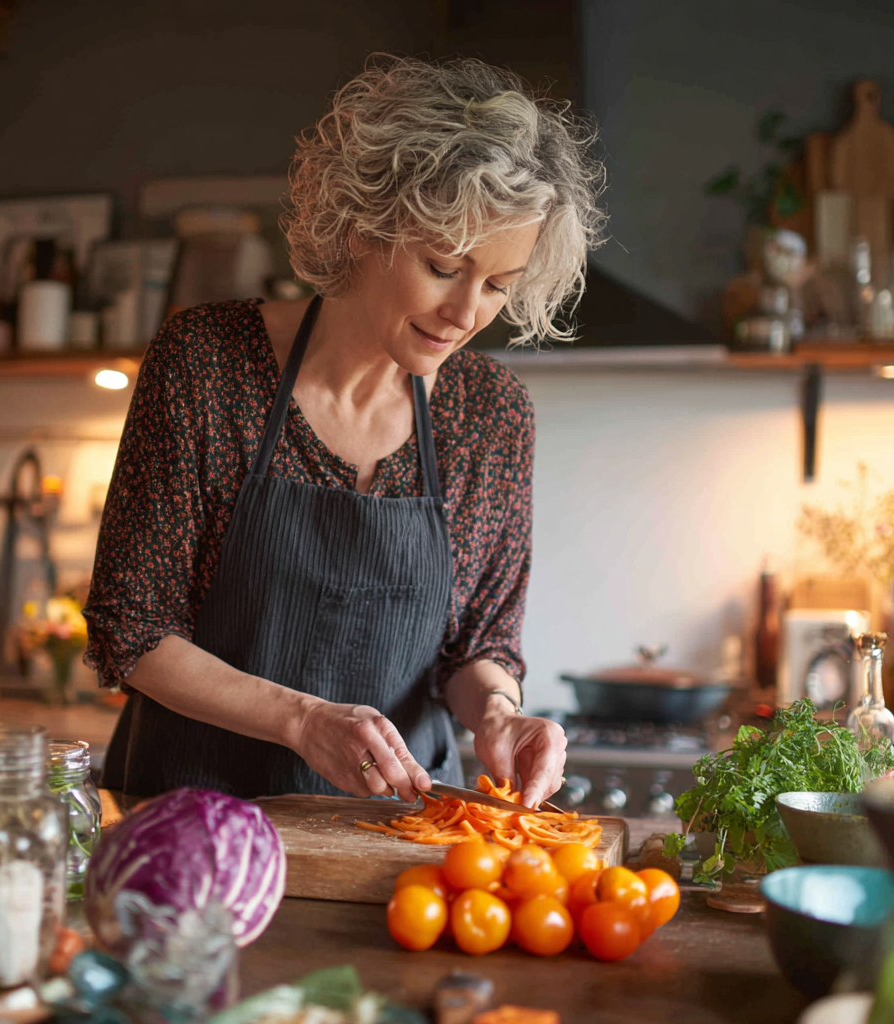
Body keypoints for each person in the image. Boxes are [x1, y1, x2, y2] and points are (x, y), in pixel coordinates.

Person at [84, 55, 604, 809]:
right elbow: (129, 626)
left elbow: (477, 648)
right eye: (441, 265)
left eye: (497, 285)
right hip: (188, 820)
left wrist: (500, 712)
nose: (466, 313)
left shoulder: (491, 417)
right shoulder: (207, 365)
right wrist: (300, 719)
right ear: (366, 228)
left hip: (395, 832)